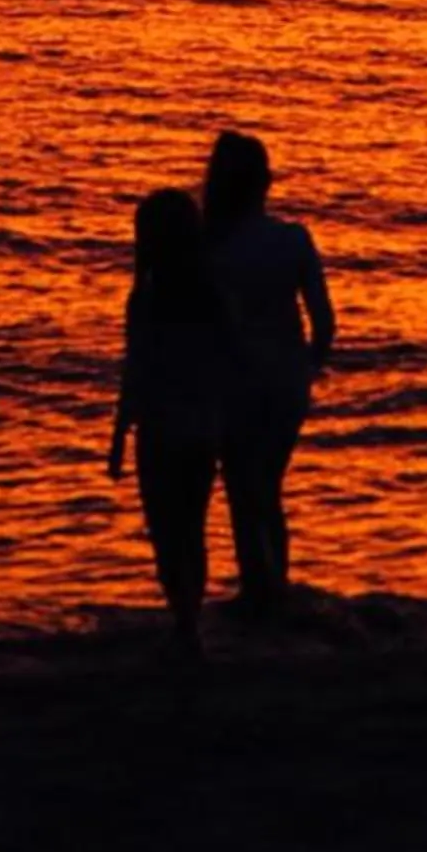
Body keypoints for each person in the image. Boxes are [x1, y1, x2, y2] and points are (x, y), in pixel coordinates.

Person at [201, 129, 334, 615]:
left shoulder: (209, 247)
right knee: (267, 487)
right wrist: (304, 370)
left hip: (238, 383)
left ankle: (261, 590)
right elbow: (324, 323)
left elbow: (203, 326)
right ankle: (273, 583)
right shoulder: (293, 240)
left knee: (245, 488)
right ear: (266, 182)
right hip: (286, 384)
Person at [108, 187, 238, 652]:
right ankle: (188, 617)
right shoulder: (204, 297)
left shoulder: (148, 301)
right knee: (189, 528)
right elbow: (229, 359)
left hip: (166, 430)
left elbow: (136, 368)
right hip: (196, 427)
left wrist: (120, 433)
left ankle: (184, 619)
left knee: (168, 530)